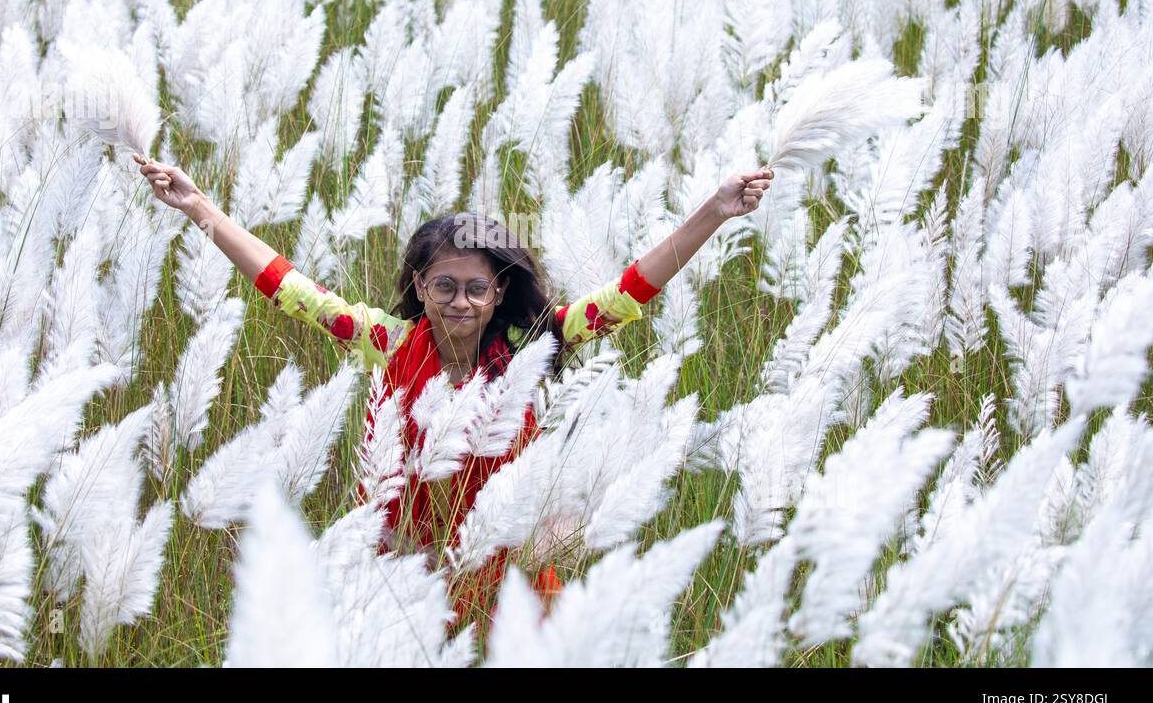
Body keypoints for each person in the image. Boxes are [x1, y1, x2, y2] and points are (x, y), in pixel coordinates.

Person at [133, 150, 772, 632]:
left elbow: (629, 292)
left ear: (499, 293)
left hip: (506, 577)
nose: (459, 302)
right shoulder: (385, 341)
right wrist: (198, 207)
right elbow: (289, 288)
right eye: (443, 286)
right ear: (418, 286)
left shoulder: (530, 347)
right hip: (398, 570)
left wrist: (715, 210)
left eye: (475, 287)